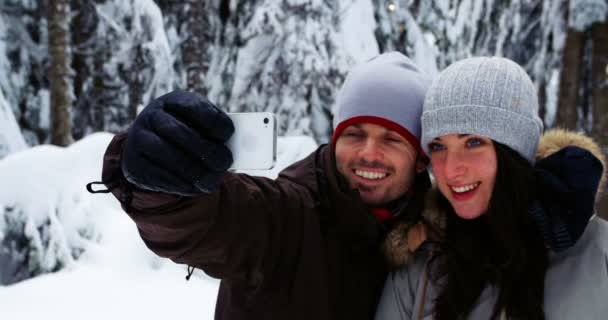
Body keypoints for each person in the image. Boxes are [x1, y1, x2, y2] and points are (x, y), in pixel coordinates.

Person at [91, 52, 432, 320]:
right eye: (354, 134)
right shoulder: (291, 213)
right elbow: (212, 220)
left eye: (392, 139)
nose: (369, 153)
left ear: (419, 158)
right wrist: (159, 181)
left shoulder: (438, 232)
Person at [375, 56, 608, 320]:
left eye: (473, 142)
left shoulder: (598, 254)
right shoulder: (421, 263)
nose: (450, 170)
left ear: (515, 152)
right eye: (438, 147)